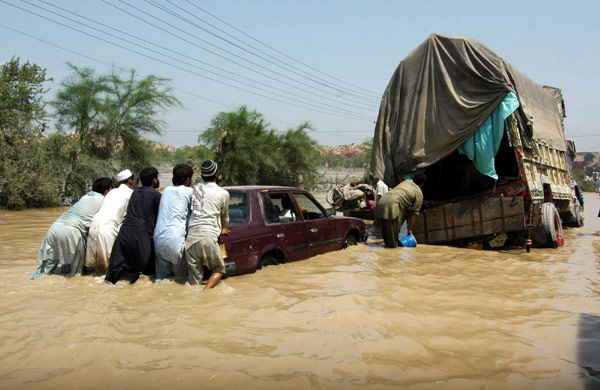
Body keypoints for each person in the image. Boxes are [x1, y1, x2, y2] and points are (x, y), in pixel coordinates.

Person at [29, 178, 113, 279]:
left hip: (55, 228)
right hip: (72, 232)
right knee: (75, 276)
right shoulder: (104, 201)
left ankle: (28, 282)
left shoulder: (86, 197)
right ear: (107, 191)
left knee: (45, 270)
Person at [105, 167, 161, 284]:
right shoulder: (156, 195)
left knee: (113, 275)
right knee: (148, 274)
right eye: (157, 177)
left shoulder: (135, 193)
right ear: (154, 180)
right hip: (142, 236)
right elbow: (158, 219)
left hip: (124, 234)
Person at [185, 160, 230, 289]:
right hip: (208, 236)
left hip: (191, 238)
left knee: (194, 281)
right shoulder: (223, 193)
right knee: (219, 268)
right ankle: (206, 293)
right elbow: (224, 217)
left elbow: (196, 208)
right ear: (216, 174)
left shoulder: (197, 188)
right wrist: (221, 229)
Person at [85, 169, 135, 273]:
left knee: (98, 269)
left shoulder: (112, 192)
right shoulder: (130, 194)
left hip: (94, 225)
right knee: (111, 268)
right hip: (107, 228)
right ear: (130, 181)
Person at [154, 164, 194, 283]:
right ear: (187, 179)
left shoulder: (166, 190)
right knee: (179, 280)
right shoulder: (189, 191)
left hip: (159, 238)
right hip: (175, 240)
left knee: (161, 279)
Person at [375, 173, 426, 248]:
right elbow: (415, 213)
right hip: (392, 205)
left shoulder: (406, 182)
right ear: (422, 184)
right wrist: (410, 230)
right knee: (392, 244)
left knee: (386, 240)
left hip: (382, 202)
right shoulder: (418, 193)